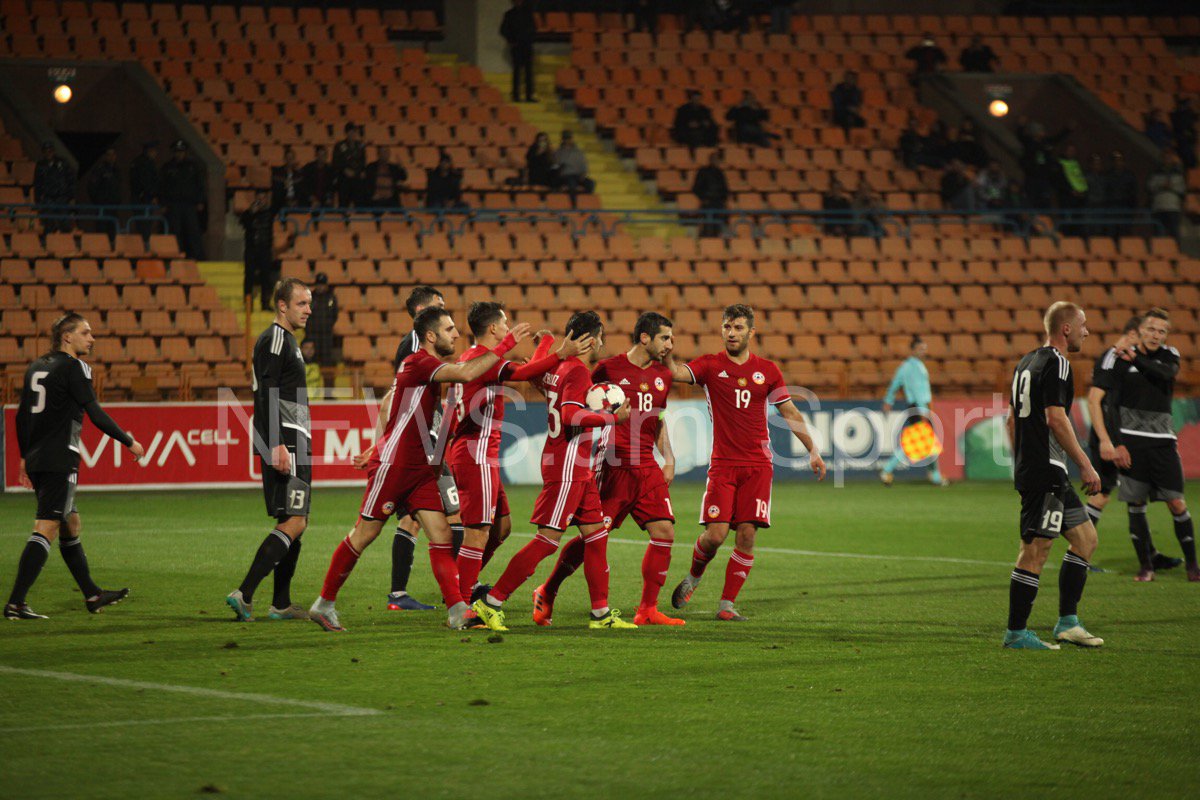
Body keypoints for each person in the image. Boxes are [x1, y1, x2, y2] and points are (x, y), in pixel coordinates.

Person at [309, 309, 533, 632]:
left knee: (441, 534)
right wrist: (503, 346)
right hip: (396, 466)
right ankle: (324, 603)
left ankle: (457, 610)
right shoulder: (419, 362)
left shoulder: (429, 366)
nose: (455, 335)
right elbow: (466, 374)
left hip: (420, 470)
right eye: (449, 329)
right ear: (431, 336)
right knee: (365, 533)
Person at [472, 311, 638, 632]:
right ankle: (490, 602)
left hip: (579, 468)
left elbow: (536, 377)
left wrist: (545, 343)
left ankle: (601, 614)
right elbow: (572, 416)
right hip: (567, 467)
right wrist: (611, 419)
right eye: (600, 337)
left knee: (596, 536)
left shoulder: (558, 367)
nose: (602, 343)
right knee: (547, 541)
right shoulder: (576, 372)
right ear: (589, 340)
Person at [661, 304, 825, 621]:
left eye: (737, 328)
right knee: (715, 535)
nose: (731, 333)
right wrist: (668, 354)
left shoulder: (768, 370)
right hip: (723, 464)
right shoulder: (710, 365)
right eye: (726, 327)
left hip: (758, 466)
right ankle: (694, 577)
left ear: (751, 332)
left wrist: (812, 449)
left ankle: (726, 605)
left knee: (747, 535)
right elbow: (677, 373)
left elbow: (789, 412)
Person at [533, 312, 686, 626]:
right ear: (645, 337)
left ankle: (647, 609)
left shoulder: (663, 376)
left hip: (646, 466)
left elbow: (657, 419)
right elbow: (572, 400)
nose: (670, 345)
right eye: (665, 338)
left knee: (664, 532)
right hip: (611, 465)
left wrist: (668, 457)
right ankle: (548, 590)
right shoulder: (607, 369)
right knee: (595, 535)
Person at [447, 303, 592, 608]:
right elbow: (525, 371)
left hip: (477, 454)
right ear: (493, 329)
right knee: (478, 532)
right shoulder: (483, 360)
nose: (508, 326)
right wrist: (560, 353)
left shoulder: (474, 359)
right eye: (505, 322)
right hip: (476, 454)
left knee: (502, 526)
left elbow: (526, 371)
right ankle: (459, 602)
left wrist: (548, 347)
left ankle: (464, 583)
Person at [5, 314, 144, 620]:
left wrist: (25, 458)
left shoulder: (36, 366)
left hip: (39, 457)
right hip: (59, 458)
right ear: (67, 337)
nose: (91, 338)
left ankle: (92, 594)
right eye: (86, 332)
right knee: (47, 526)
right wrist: (128, 441)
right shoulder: (75, 367)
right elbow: (94, 411)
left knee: (71, 523)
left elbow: (20, 417)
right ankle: (16, 602)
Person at [1003, 301, 1104, 649]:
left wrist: (1021, 460)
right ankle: (1016, 632)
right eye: (1083, 325)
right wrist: (1086, 464)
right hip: (1046, 470)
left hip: (1045, 469)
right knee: (1036, 550)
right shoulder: (1058, 362)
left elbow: (1011, 421)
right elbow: (1056, 418)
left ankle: (1068, 622)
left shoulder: (1026, 362)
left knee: (1085, 539)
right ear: (1066, 329)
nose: (1086, 332)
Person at [224, 279, 313, 622]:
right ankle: (244, 593)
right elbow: (266, 393)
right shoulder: (276, 339)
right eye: (302, 304)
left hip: (295, 436)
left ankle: (280, 603)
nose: (308, 310)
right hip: (286, 438)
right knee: (295, 519)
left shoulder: (287, 342)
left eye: (309, 303)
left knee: (296, 520)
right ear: (282, 305)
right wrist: (276, 442)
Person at [1083, 315, 1182, 574]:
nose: (1147, 345)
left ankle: (1151, 555)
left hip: (1126, 438)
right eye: (1142, 337)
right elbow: (1095, 400)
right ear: (1132, 335)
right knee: (1101, 495)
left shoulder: (1131, 362)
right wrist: (1105, 440)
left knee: (1137, 499)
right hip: (1109, 437)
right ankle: (1079, 556)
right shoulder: (1112, 358)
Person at [1106, 308, 1196, 582]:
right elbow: (1111, 405)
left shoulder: (1170, 356)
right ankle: (1146, 566)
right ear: (1141, 331)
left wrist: (1136, 357)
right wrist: (1117, 444)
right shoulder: (1122, 362)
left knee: (1177, 503)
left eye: (1162, 331)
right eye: (1152, 329)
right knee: (1135, 504)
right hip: (1131, 444)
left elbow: (1165, 374)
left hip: (1163, 444)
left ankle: (1193, 566)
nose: (1156, 335)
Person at [384, 286, 448, 611]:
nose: (446, 312)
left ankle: (398, 594)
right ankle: (463, 590)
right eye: (440, 306)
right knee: (452, 513)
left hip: (425, 437)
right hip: (422, 441)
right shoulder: (413, 344)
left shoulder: (417, 346)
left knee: (412, 519)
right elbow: (398, 393)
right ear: (423, 311)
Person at [879, 336, 946, 487]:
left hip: (920, 407)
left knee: (929, 441)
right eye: (920, 349)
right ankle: (887, 469)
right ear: (913, 350)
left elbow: (896, 384)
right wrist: (923, 410)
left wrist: (888, 400)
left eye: (924, 349)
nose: (923, 352)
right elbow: (909, 388)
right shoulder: (911, 367)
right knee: (921, 442)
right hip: (918, 407)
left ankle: (934, 475)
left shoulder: (913, 366)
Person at [159, 139, 205, 259]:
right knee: (175, 231)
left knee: (193, 231)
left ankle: (196, 257)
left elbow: (200, 184)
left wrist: (200, 201)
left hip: (189, 204)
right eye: (176, 152)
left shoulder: (193, 166)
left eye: (181, 151)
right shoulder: (168, 167)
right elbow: (162, 187)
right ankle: (176, 255)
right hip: (173, 204)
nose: (179, 154)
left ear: (185, 152)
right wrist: (163, 203)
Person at [1017, 121, 1073, 209]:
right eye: (1040, 131)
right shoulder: (1029, 143)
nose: (1043, 132)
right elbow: (1020, 136)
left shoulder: (1046, 142)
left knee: (1045, 200)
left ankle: (1045, 218)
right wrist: (1021, 125)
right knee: (1031, 199)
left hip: (1044, 176)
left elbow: (1056, 139)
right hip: (1032, 177)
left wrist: (1067, 130)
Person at [239, 189, 275, 311]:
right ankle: (248, 304)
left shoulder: (270, 213)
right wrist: (251, 213)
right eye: (259, 198)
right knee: (249, 276)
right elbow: (243, 223)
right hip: (251, 249)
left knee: (266, 277)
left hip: (265, 249)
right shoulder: (248, 213)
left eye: (263, 198)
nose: (261, 201)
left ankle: (265, 303)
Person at [33, 141, 75, 233]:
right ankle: (49, 243)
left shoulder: (63, 163)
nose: (48, 153)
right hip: (48, 198)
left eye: (50, 151)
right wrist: (37, 200)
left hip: (62, 197)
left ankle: (66, 244)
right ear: (43, 153)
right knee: (48, 224)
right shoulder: (40, 165)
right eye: (46, 151)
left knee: (65, 224)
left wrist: (71, 196)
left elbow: (70, 180)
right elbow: (37, 183)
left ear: (53, 151)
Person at [500, 0, 536, 103]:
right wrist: (511, 40)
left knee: (529, 71)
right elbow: (503, 30)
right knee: (517, 71)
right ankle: (516, 95)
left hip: (527, 45)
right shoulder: (509, 14)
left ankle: (529, 95)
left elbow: (533, 28)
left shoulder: (528, 14)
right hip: (516, 46)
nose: (518, 2)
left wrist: (530, 39)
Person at [1147, 149, 1186, 238]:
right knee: (1159, 235)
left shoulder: (1178, 173)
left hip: (1173, 208)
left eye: (1169, 157)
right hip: (1159, 207)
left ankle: (1176, 251)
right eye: (1165, 157)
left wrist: (1171, 187)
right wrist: (1161, 186)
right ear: (1161, 158)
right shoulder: (1154, 172)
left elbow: (1182, 189)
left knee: (1174, 234)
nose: (1167, 159)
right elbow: (1150, 187)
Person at [692, 151, 729, 238]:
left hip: (718, 203)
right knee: (707, 224)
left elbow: (725, 189)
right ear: (710, 160)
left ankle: (716, 242)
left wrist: (724, 200)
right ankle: (706, 242)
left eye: (717, 159)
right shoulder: (703, 171)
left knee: (717, 225)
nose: (716, 161)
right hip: (707, 203)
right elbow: (696, 188)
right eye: (715, 159)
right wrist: (703, 198)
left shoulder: (720, 173)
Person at [306, 272, 338, 370]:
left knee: (326, 361)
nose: (320, 287)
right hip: (312, 335)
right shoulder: (310, 298)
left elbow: (334, 315)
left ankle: (326, 384)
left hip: (326, 335)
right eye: (318, 284)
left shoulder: (331, 298)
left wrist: (327, 326)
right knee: (311, 360)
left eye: (322, 284)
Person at [332, 123, 367, 208]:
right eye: (351, 132)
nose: (353, 134)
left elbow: (363, 161)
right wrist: (344, 169)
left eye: (354, 132)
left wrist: (360, 171)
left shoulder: (360, 145)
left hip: (357, 179)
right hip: (344, 179)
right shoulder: (339, 145)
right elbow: (335, 162)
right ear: (346, 133)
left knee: (359, 204)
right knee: (343, 204)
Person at [554, 131, 595, 202]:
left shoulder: (578, 151)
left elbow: (584, 164)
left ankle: (585, 202)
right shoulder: (558, 152)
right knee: (572, 184)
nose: (567, 140)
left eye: (569, 138)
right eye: (565, 138)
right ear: (563, 139)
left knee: (591, 184)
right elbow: (557, 164)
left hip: (578, 175)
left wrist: (583, 173)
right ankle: (574, 205)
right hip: (566, 175)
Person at [271, 146, 305, 212]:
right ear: (284, 159)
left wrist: (295, 201)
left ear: (294, 159)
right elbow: (276, 192)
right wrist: (286, 201)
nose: (289, 160)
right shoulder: (277, 173)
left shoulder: (299, 174)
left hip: (296, 203)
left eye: (291, 158)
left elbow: (301, 191)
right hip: (281, 203)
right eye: (287, 158)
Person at [129, 140, 159, 208]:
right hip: (143, 197)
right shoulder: (144, 163)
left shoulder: (146, 162)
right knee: (143, 216)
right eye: (154, 151)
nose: (156, 153)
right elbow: (146, 181)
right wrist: (152, 196)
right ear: (149, 151)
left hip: (142, 196)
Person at [1170, 96, 1197, 169]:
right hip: (1181, 138)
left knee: (1190, 155)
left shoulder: (1189, 112)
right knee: (1185, 153)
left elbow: (1193, 123)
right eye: (1187, 104)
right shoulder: (1176, 114)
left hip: (1188, 138)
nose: (1188, 105)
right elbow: (1178, 126)